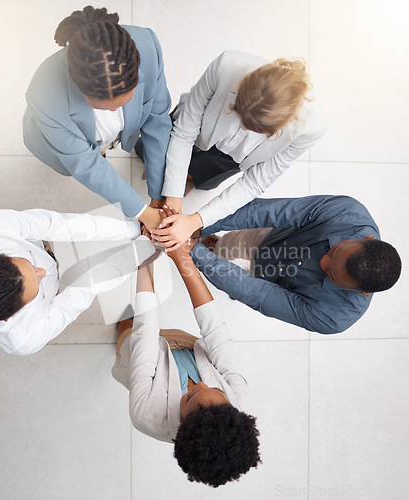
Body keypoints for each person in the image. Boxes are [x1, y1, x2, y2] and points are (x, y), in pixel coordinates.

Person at [112, 211, 261, 487]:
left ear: (180, 427)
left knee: (129, 335)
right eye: (217, 391)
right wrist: (182, 257)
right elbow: (215, 331)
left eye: (192, 397)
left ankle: (121, 330)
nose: (203, 385)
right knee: (157, 331)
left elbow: (146, 332)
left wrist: (145, 257)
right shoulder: (237, 405)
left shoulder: (146, 414)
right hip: (186, 345)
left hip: (143, 357)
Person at [150, 50, 328, 250]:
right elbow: (183, 133)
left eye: (255, 129)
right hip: (198, 127)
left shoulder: (311, 128)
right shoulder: (227, 66)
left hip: (237, 158)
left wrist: (194, 221)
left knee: (204, 175)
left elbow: (254, 183)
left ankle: (190, 178)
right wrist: (173, 200)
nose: (242, 127)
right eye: (237, 112)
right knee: (156, 155)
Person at [23, 6, 171, 230]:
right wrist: (142, 212)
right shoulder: (44, 96)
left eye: (122, 102)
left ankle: (102, 146)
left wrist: (158, 194)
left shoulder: (148, 46)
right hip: (55, 137)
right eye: (101, 106)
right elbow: (85, 163)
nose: (113, 113)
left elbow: (156, 121)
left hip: (91, 133)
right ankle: (99, 147)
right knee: (85, 159)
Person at [0, 209, 155, 356]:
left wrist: (134, 229)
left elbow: (63, 225)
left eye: (28, 263)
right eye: (36, 286)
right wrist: (141, 250)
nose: (42, 271)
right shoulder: (23, 338)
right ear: (9, 315)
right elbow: (86, 288)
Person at [177, 196, 402, 334]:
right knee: (230, 244)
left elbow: (259, 294)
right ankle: (214, 243)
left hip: (271, 284)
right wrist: (199, 224)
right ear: (367, 239)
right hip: (271, 240)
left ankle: (216, 259)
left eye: (330, 273)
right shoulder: (347, 213)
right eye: (333, 251)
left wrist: (193, 252)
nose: (322, 260)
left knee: (240, 283)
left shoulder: (334, 316)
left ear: (361, 292)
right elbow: (268, 211)